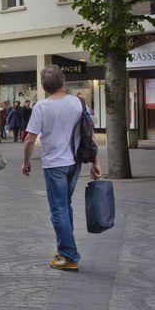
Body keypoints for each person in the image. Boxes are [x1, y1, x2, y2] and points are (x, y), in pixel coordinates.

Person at [22, 65, 101, 272]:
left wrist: (26, 161)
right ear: (63, 82)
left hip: (54, 164)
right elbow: (89, 134)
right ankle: (63, 250)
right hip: (74, 163)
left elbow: (30, 139)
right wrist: (96, 162)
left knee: (58, 210)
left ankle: (69, 255)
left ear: (44, 86)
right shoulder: (77, 102)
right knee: (65, 207)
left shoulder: (41, 107)